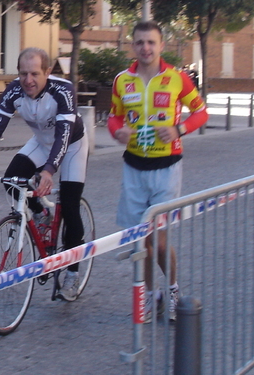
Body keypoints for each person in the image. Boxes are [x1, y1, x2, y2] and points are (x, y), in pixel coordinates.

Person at [107, 21, 209, 322]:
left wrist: (179, 128)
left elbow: (201, 112)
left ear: (161, 45)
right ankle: (151, 295)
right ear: (133, 46)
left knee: (160, 240)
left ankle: (174, 290)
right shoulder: (122, 81)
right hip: (134, 167)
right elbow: (114, 117)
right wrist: (117, 132)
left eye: (151, 42)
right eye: (139, 42)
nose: (145, 48)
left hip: (167, 168)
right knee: (141, 242)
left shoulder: (177, 78)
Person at [0, 47, 89, 301]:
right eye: (23, 73)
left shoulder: (63, 90)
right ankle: (40, 213)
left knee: (69, 206)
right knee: (11, 179)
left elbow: (63, 135)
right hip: (41, 141)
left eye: (35, 73)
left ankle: (73, 273)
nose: (28, 80)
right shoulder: (14, 90)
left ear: (47, 72)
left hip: (72, 145)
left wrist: (48, 171)